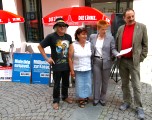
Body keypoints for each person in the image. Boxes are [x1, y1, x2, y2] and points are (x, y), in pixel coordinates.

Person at [115, 8, 148, 120]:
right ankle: (127, 101)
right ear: (124, 18)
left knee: (136, 85)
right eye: (128, 17)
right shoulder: (120, 28)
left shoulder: (142, 27)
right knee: (124, 84)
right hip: (122, 60)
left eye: (132, 16)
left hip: (134, 61)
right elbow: (116, 43)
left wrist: (141, 58)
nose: (131, 18)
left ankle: (139, 107)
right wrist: (116, 53)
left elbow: (145, 45)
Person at [38, 18, 73, 110]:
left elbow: (71, 49)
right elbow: (40, 46)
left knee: (65, 82)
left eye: (64, 26)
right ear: (56, 27)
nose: (62, 27)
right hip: (56, 65)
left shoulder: (68, 37)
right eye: (60, 25)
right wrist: (46, 58)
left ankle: (65, 97)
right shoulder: (51, 37)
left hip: (66, 65)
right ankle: (56, 101)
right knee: (57, 84)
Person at [89, 20, 119, 106]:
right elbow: (89, 47)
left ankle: (102, 98)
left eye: (106, 29)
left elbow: (113, 48)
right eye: (102, 29)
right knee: (96, 81)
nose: (104, 31)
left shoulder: (110, 38)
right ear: (98, 29)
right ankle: (96, 98)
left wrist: (117, 54)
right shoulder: (92, 37)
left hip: (106, 61)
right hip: (96, 61)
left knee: (105, 81)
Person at [68, 27, 92, 108]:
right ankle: (81, 99)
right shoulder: (73, 45)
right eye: (83, 34)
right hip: (78, 68)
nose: (85, 36)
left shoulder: (89, 44)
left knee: (87, 84)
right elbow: (70, 58)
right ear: (78, 35)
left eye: (85, 34)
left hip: (88, 68)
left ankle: (85, 96)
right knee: (80, 84)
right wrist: (72, 71)